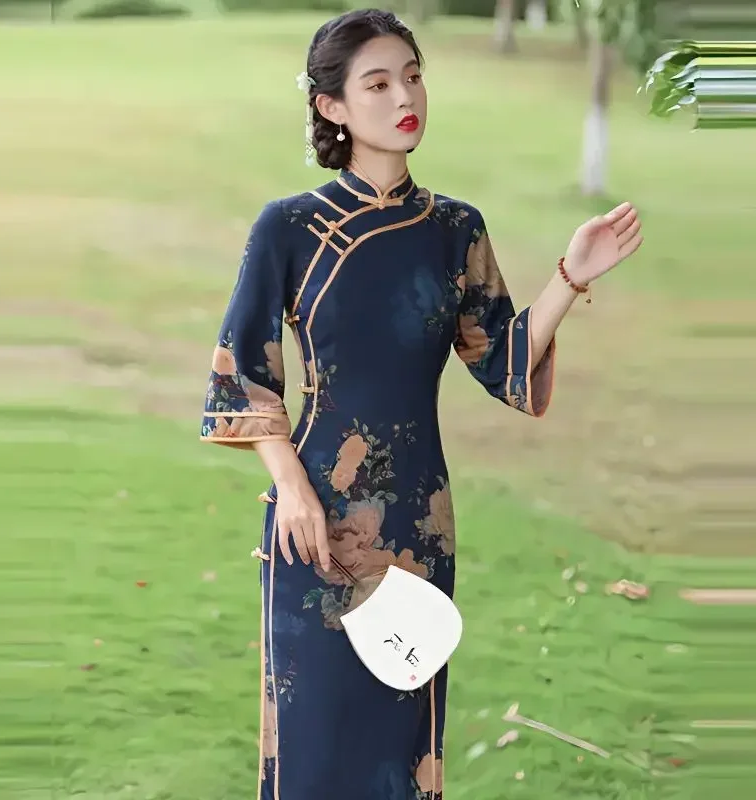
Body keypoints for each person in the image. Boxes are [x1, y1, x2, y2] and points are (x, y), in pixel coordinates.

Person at [199, 8, 643, 800]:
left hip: (418, 521)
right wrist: (292, 486)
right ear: (332, 106)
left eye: (412, 76)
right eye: (377, 83)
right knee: (314, 742)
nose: (405, 96)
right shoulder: (290, 228)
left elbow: (504, 365)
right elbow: (242, 374)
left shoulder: (454, 230)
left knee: (402, 748)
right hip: (317, 521)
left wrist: (570, 278)